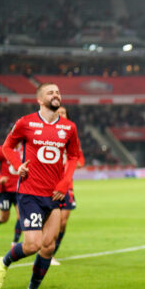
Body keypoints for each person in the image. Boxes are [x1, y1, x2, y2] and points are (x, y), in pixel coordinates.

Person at [0, 83, 80, 289]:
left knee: (49, 246)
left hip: (55, 195)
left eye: (58, 92)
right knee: (32, 244)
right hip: (29, 192)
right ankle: (4, 261)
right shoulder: (25, 123)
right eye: (51, 92)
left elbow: (73, 156)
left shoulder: (69, 127)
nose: (56, 95)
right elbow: (7, 147)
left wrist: (65, 181)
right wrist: (17, 165)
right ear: (40, 99)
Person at [50, 106, 85, 266]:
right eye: (59, 112)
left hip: (67, 185)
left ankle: (52, 253)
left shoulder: (72, 135)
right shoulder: (49, 132)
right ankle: (46, 250)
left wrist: (74, 164)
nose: (61, 114)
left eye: (64, 113)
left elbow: (81, 159)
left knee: (63, 222)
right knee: (52, 221)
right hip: (51, 184)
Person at [0, 144, 22, 243]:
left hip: (19, 190)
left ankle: (15, 242)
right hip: (5, 190)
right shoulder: (1, 150)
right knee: (4, 218)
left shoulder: (24, 149)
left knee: (21, 216)